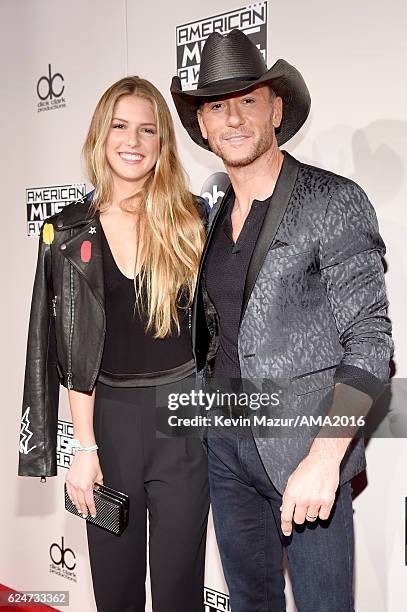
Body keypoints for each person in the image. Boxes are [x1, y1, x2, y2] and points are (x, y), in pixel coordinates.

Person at [171, 29, 394, 611]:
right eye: (218, 106)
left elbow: (370, 343)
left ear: (276, 109)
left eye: (248, 100)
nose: (234, 118)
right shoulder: (213, 217)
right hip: (226, 449)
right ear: (203, 124)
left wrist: (325, 458)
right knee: (250, 603)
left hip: (307, 448)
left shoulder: (332, 198)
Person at [18, 76, 210, 612]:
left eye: (148, 130)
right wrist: (84, 448)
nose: (134, 141)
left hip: (182, 423)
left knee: (180, 590)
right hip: (104, 424)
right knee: (114, 585)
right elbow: (62, 349)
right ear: (101, 137)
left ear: (162, 144)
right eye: (121, 127)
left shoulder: (191, 220)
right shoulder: (66, 232)